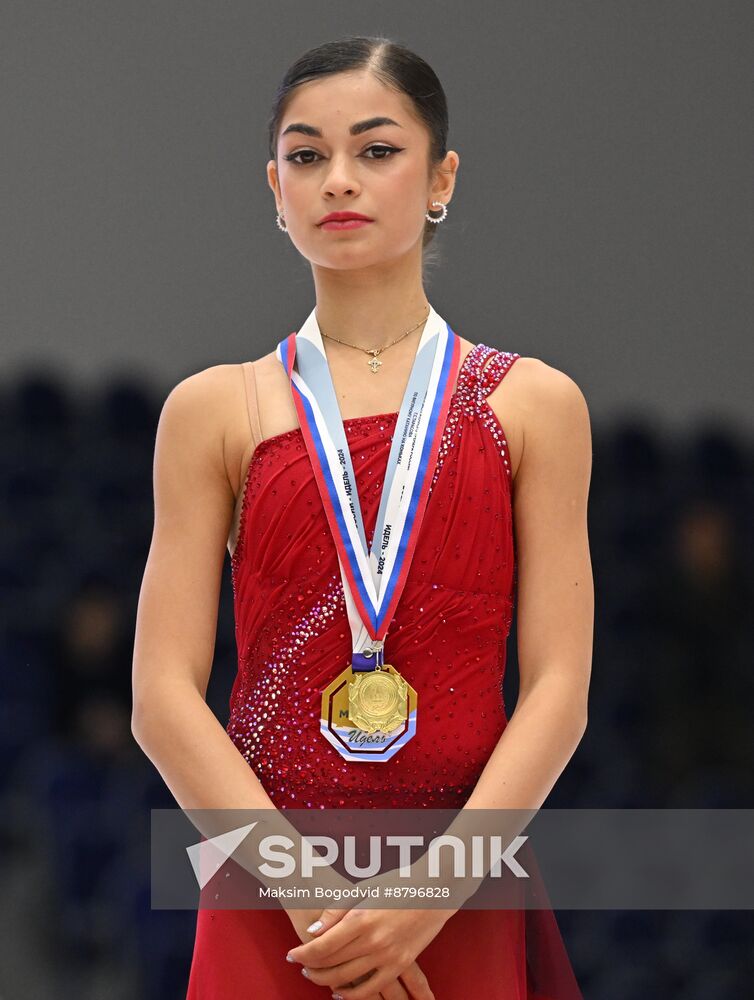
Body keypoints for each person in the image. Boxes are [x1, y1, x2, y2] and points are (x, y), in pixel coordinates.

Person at [132, 34, 593, 1000]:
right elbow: (162, 696)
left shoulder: (534, 406)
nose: (338, 179)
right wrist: (314, 903)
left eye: (376, 150)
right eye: (307, 156)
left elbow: (559, 686)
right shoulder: (215, 409)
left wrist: (428, 896)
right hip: (274, 892)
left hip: (464, 882)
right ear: (274, 188)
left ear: (442, 177)